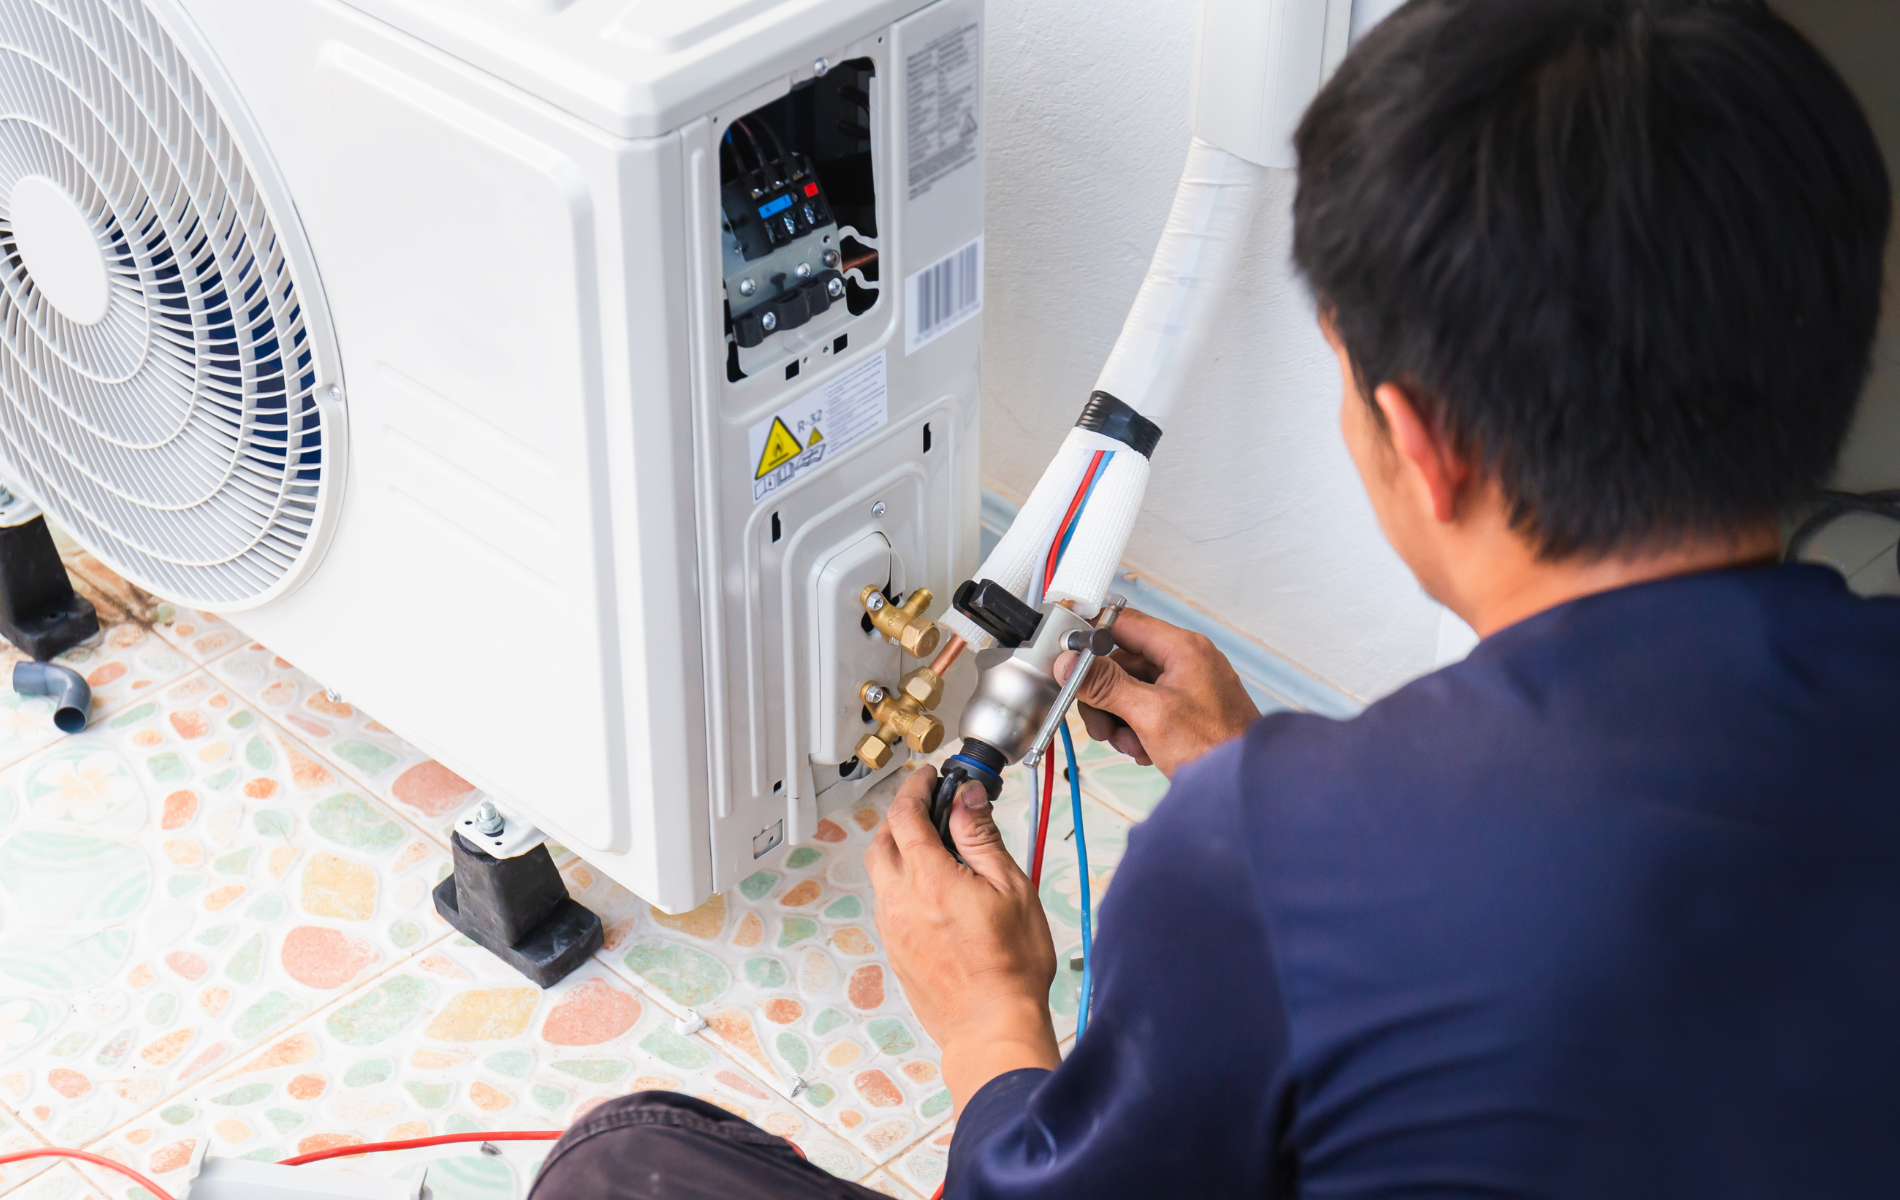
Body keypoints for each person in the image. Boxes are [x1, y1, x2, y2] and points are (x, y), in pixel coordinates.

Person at [528, 0, 1899, 1195]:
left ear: (1419, 441)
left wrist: (988, 1015)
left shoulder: (1258, 862)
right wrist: (1271, 792)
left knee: (618, 1167)